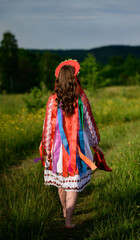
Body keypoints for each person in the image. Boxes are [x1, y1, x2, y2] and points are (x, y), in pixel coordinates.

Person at [39, 59, 103, 228]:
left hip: (57, 149)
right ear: (74, 79)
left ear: (59, 79)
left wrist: (46, 149)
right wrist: (95, 143)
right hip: (77, 148)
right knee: (72, 185)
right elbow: (89, 124)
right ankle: (68, 221)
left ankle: (64, 211)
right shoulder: (81, 98)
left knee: (61, 184)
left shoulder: (53, 100)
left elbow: (47, 127)